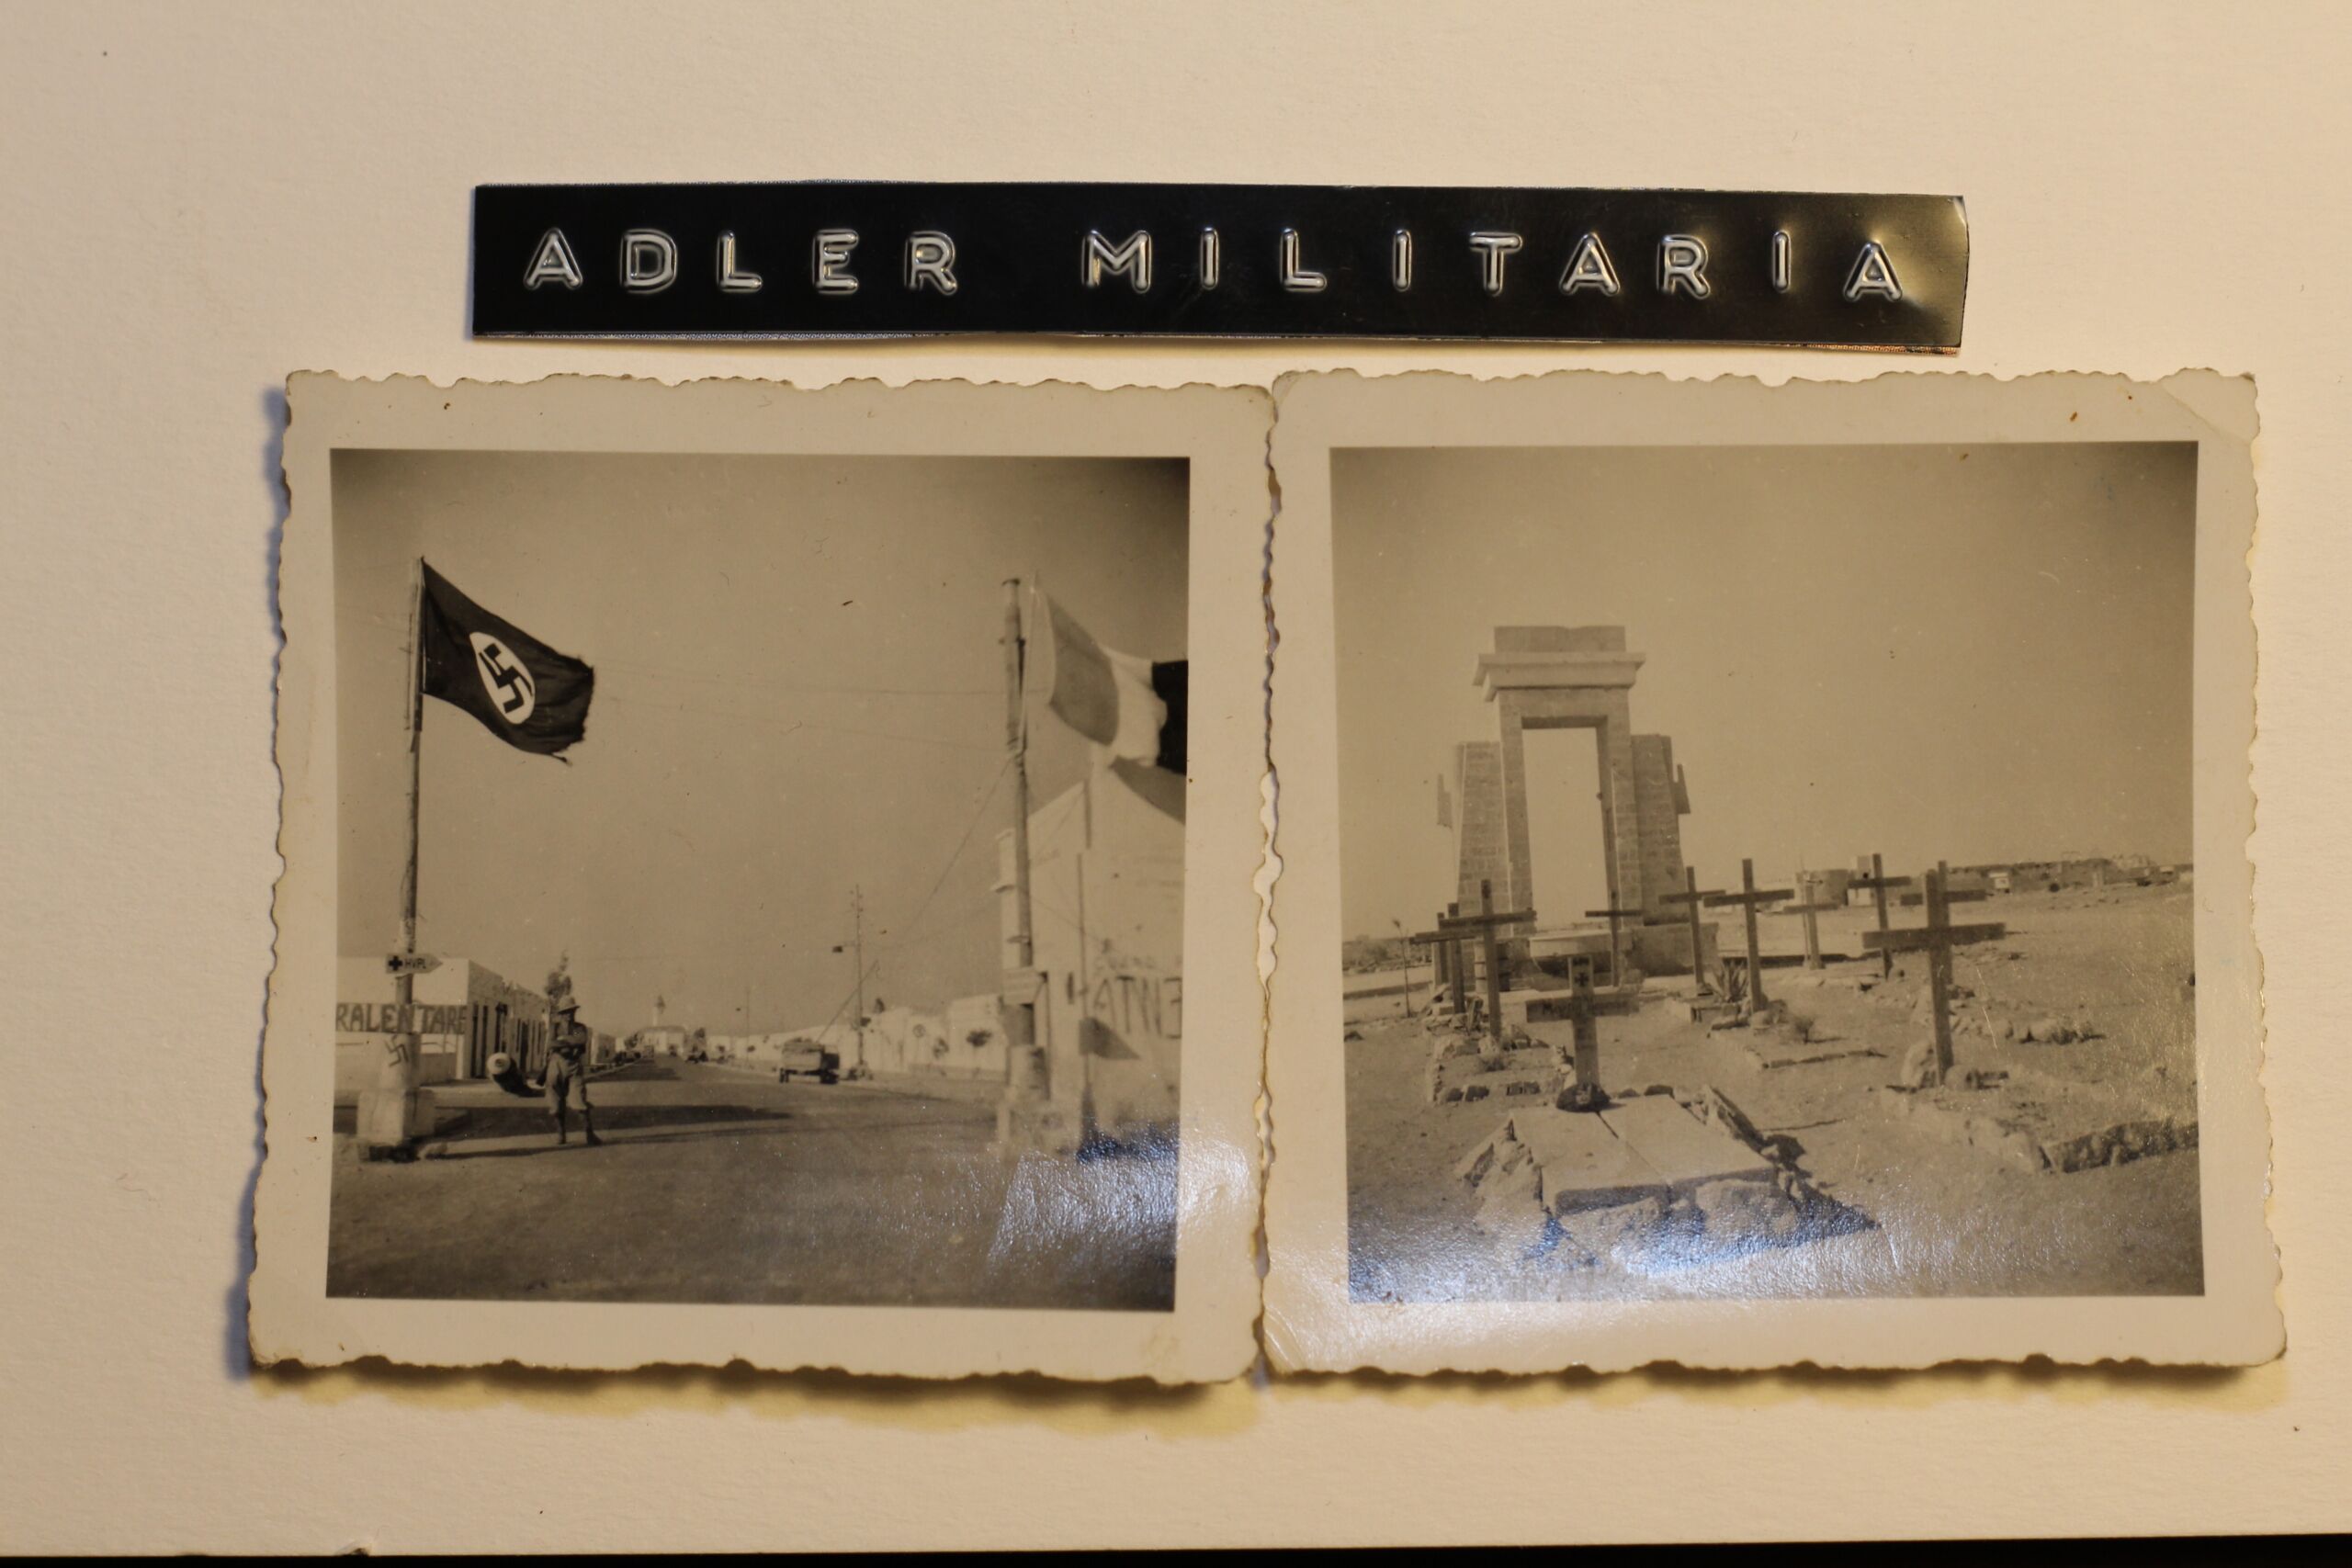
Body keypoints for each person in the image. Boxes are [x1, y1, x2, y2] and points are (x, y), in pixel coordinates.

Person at [545, 1003, 601, 1147]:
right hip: (556, 1065)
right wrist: (570, 1042)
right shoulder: (555, 1027)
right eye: (565, 1012)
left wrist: (563, 1040)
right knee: (555, 1103)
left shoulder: (578, 1028)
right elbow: (551, 1044)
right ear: (560, 1014)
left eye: (571, 1011)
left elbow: (581, 1040)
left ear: (575, 1012)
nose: (568, 1015)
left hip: (573, 1066)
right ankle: (561, 1133)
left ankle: (589, 1134)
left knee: (579, 1100)